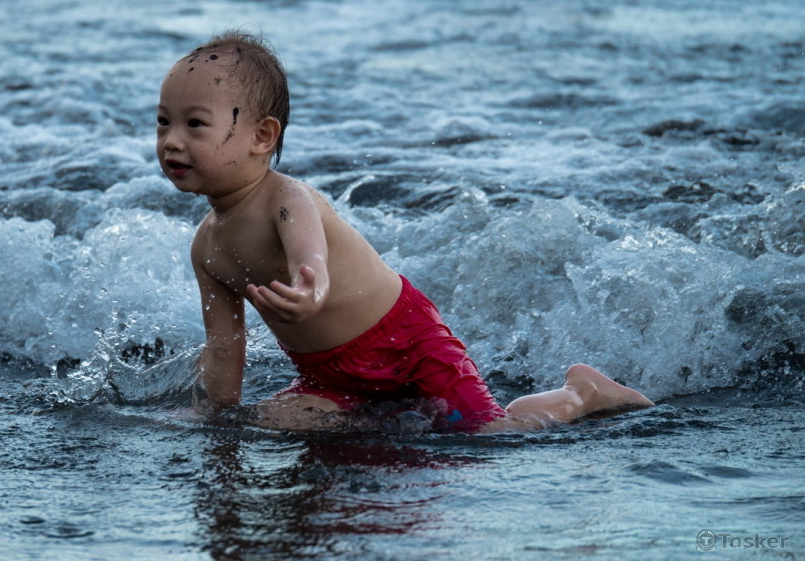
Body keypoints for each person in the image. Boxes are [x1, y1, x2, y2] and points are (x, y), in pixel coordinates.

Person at [156, 31, 653, 432]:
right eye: (162, 122)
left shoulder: (287, 199)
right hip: (331, 377)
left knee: (488, 432)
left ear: (262, 136)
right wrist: (213, 415)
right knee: (267, 424)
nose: (171, 141)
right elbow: (225, 344)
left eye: (194, 124)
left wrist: (312, 291)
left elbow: (312, 259)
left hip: (408, 345)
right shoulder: (207, 247)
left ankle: (580, 393)